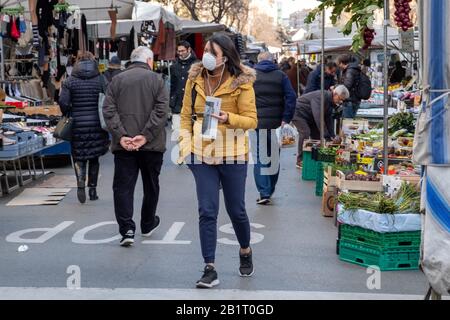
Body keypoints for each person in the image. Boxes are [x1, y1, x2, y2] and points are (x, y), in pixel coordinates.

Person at [178, 33, 257, 288]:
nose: (207, 56)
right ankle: (209, 267)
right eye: (206, 51)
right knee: (207, 210)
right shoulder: (195, 79)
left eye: (213, 52)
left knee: (236, 210)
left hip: (233, 153)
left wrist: (228, 118)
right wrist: (186, 147)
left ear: (226, 56)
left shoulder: (241, 82)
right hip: (202, 153)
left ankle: (245, 249)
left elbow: (252, 121)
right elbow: (185, 115)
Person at [103, 46, 169, 247]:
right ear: (149, 61)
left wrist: (121, 135)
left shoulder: (117, 80)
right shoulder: (157, 80)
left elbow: (108, 109)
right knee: (151, 185)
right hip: (152, 145)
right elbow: (161, 111)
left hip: (124, 146)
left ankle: (127, 229)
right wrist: (145, 135)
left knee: (123, 187)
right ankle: (147, 223)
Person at [59, 52, 110, 204]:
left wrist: (68, 112)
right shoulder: (101, 79)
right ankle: (93, 189)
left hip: (77, 125)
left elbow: (63, 102)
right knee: (94, 157)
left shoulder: (70, 81)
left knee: (79, 157)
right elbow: (108, 99)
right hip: (96, 125)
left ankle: (80, 183)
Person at [253, 51, 296, 205]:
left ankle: (264, 191)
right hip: (277, 123)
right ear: (273, 61)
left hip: (258, 122)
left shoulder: (252, 75)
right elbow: (291, 97)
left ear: (258, 61)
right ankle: (269, 189)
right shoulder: (281, 75)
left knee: (260, 157)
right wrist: (286, 118)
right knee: (274, 156)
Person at [291, 85, 350, 168]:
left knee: (317, 137)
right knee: (305, 132)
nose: (340, 102)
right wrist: (326, 135)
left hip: (310, 116)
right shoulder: (321, 97)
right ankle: (300, 160)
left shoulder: (330, 102)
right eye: (340, 99)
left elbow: (328, 119)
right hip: (298, 112)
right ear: (335, 94)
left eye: (342, 100)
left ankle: (314, 159)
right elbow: (318, 117)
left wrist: (331, 136)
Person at [170, 41, 198, 136]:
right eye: (179, 51)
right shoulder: (174, 66)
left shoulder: (197, 65)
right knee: (178, 134)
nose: (180, 53)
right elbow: (173, 86)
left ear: (189, 49)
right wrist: (172, 101)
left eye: (182, 51)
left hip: (193, 105)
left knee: (193, 134)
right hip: (177, 105)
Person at [336, 54, 362, 119]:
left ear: (341, 63)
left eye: (339, 64)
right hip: (354, 99)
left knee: (347, 122)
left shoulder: (350, 71)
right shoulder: (354, 69)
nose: (339, 66)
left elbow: (347, 85)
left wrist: (336, 86)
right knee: (349, 121)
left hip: (350, 100)